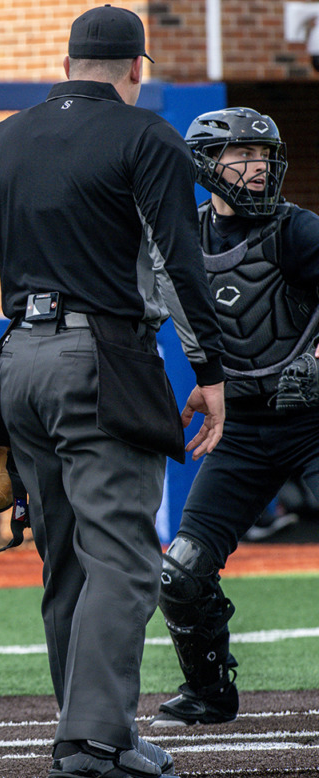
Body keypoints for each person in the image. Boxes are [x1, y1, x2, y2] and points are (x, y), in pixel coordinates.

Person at [0, 6, 226, 778]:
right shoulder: (148, 137)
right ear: (138, 67)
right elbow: (178, 265)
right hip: (102, 361)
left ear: (65, 66)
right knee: (126, 558)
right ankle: (93, 740)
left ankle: (98, 731)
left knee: (64, 559)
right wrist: (209, 375)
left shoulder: (1, 140)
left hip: (21, 361)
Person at [152, 107, 319, 727]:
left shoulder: (296, 230)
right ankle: (208, 693)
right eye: (241, 156)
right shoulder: (181, 238)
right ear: (205, 164)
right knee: (182, 571)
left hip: (312, 419)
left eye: (264, 155)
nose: (257, 168)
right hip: (242, 429)